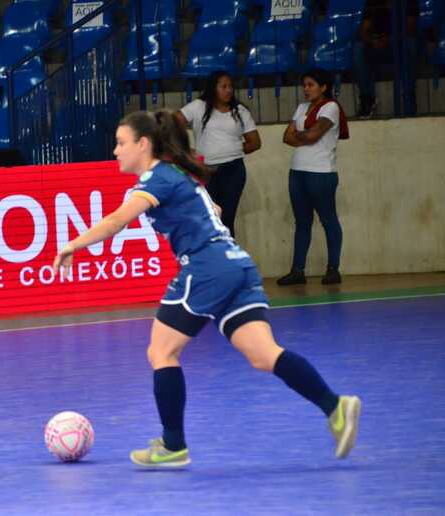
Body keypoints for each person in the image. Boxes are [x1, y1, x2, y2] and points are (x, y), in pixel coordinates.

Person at [53, 109, 361, 468]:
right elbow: (212, 207)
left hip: (206, 267)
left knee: (161, 353)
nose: (115, 151)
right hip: (238, 265)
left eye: (121, 143)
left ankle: (173, 446)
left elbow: (117, 220)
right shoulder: (180, 177)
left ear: (143, 144)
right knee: (264, 355)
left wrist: (73, 244)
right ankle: (335, 406)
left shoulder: (156, 179)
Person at [279, 68, 349, 286]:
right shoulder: (302, 107)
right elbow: (286, 137)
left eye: (311, 85)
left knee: (328, 219)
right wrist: (304, 137)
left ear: (324, 87)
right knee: (302, 222)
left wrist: (300, 136)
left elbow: (312, 135)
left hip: (321, 172)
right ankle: (297, 270)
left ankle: (333, 269)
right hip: (297, 170)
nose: (306, 89)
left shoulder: (331, 107)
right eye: (304, 85)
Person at [176, 71, 261, 237]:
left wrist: (231, 149)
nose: (228, 90)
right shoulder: (198, 106)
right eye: (223, 86)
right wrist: (185, 149)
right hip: (205, 171)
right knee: (208, 218)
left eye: (230, 86)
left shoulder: (240, 111)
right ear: (212, 88)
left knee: (227, 219)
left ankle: (228, 259)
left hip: (233, 170)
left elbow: (255, 142)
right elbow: (171, 124)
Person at [353, 0, 418, 118]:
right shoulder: (372, 3)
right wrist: (373, 41)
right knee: (358, 48)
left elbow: (411, 29)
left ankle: (409, 96)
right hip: (376, 44)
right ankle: (367, 99)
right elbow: (363, 31)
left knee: (411, 45)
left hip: (399, 44)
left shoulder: (407, 3)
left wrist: (391, 39)